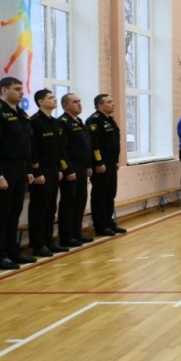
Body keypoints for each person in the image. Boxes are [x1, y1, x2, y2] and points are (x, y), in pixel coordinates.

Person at [0, 77, 36, 269]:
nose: (21, 92)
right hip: (4, 169)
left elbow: (26, 145)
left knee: (14, 212)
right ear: (4, 90)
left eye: (22, 89)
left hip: (20, 168)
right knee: (1, 213)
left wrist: (28, 169)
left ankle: (13, 251)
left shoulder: (21, 113)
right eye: (17, 89)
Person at [28, 89, 66, 257]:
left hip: (53, 170)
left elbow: (58, 149)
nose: (55, 99)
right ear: (41, 102)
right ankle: (38, 244)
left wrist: (59, 168)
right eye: (51, 98)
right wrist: (36, 171)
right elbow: (33, 149)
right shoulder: (35, 122)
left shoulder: (55, 122)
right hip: (41, 171)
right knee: (39, 208)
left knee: (51, 207)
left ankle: (49, 241)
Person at [87, 94, 125, 237]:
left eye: (112, 101)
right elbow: (94, 144)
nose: (113, 104)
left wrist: (115, 161)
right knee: (100, 195)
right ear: (100, 105)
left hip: (110, 163)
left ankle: (109, 223)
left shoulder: (109, 120)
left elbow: (114, 143)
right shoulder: (94, 120)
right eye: (109, 102)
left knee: (110, 193)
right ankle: (101, 226)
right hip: (101, 164)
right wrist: (98, 162)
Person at [57, 93, 92, 248]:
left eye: (79, 101)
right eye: (75, 102)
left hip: (82, 168)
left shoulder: (79, 121)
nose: (79, 104)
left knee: (80, 202)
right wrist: (67, 169)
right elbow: (61, 149)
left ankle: (76, 233)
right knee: (69, 203)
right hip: (71, 169)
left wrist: (89, 165)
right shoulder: (63, 122)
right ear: (65, 105)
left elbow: (86, 146)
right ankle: (66, 236)